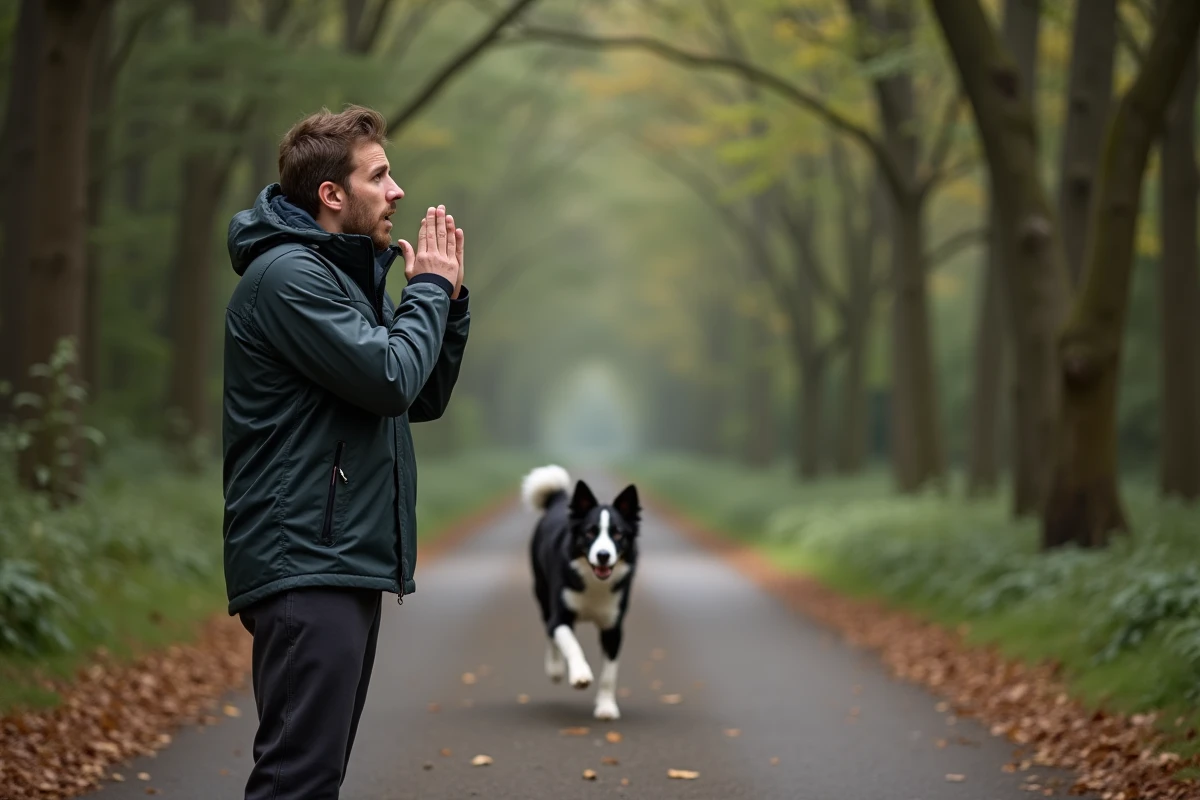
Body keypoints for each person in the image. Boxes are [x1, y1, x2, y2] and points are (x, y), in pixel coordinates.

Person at [221, 104, 469, 799]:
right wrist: (426, 291)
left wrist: (446, 302)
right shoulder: (288, 279)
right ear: (332, 194)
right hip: (304, 558)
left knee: (312, 778)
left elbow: (418, 394)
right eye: (380, 175)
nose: (397, 191)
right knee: (297, 780)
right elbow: (390, 377)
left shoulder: (339, 279)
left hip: (338, 559)